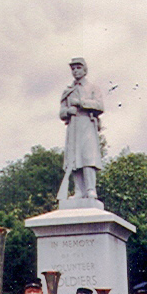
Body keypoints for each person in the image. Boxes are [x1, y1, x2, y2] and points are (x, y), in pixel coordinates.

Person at [58, 57, 104, 201]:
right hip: (73, 127)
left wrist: (81, 103)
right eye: (73, 69)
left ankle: (90, 189)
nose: (76, 71)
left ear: (85, 69)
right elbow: (61, 112)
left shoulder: (93, 88)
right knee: (74, 159)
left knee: (87, 157)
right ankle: (78, 190)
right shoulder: (68, 90)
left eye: (78, 68)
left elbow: (100, 106)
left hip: (87, 124)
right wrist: (68, 112)